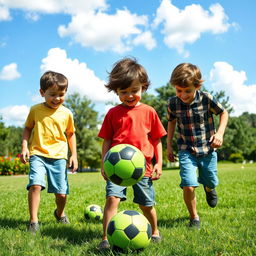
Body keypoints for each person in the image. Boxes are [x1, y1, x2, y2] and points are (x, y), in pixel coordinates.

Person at [97, 57, 167, 249]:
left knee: (146, 204)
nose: (129, 96)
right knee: (112, 199)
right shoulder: (112, 113)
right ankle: (105, 238)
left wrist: (158, 163)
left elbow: (157, 140)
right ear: (116, 91)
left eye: (134, 91)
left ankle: (154, 231)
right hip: (116, 168)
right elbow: (107, 141)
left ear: (143, 87)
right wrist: (104, 163)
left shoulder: (149, 111)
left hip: (142, 169)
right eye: (123, 92)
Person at [167, 63, 228, 229]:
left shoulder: (206, 98)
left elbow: (224, 112)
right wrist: (169, 145)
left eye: (187, 91)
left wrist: (220, 133)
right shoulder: (173, 103)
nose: (183, 95)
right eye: (179, 90)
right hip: (186, 149)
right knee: (188, 183)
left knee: (210, 179)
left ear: (197, 86)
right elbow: (171, 122)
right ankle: (194, 217)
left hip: (208, 148)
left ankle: (209, 188)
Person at [20, 71, 78, 234]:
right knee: (35, 185)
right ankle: (33, 221)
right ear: (42, 93)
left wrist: (73, 155)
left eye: (61, 94)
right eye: (52, 94)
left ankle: (59, 214)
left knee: (61, 193)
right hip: (38, 153)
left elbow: (70, 134)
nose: (57, 98)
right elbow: (27, 128)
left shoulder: (67, 113)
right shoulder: (35, 110)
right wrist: (25, 147)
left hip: (59, 156)